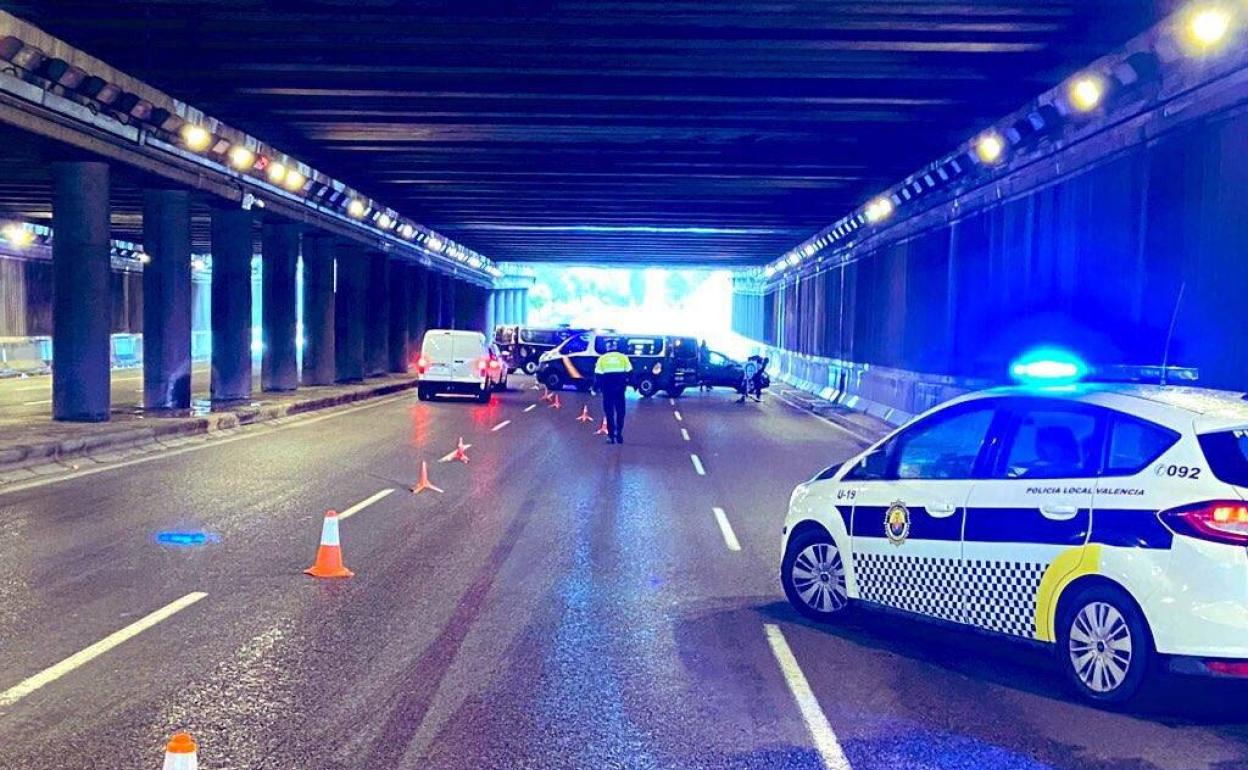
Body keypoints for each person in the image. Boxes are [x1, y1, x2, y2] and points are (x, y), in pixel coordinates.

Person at [593, 340, 633, 444]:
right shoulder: (623, 358)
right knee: (621, 413)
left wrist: (595, 388)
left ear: (607, 348)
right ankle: (619, 434)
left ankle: (610, 436)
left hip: (607, 391)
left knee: (609, 413)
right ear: (615, 347)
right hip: (619, 391)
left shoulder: (602, 359)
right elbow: (630, 372)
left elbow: (598, 376)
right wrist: (629, 383)